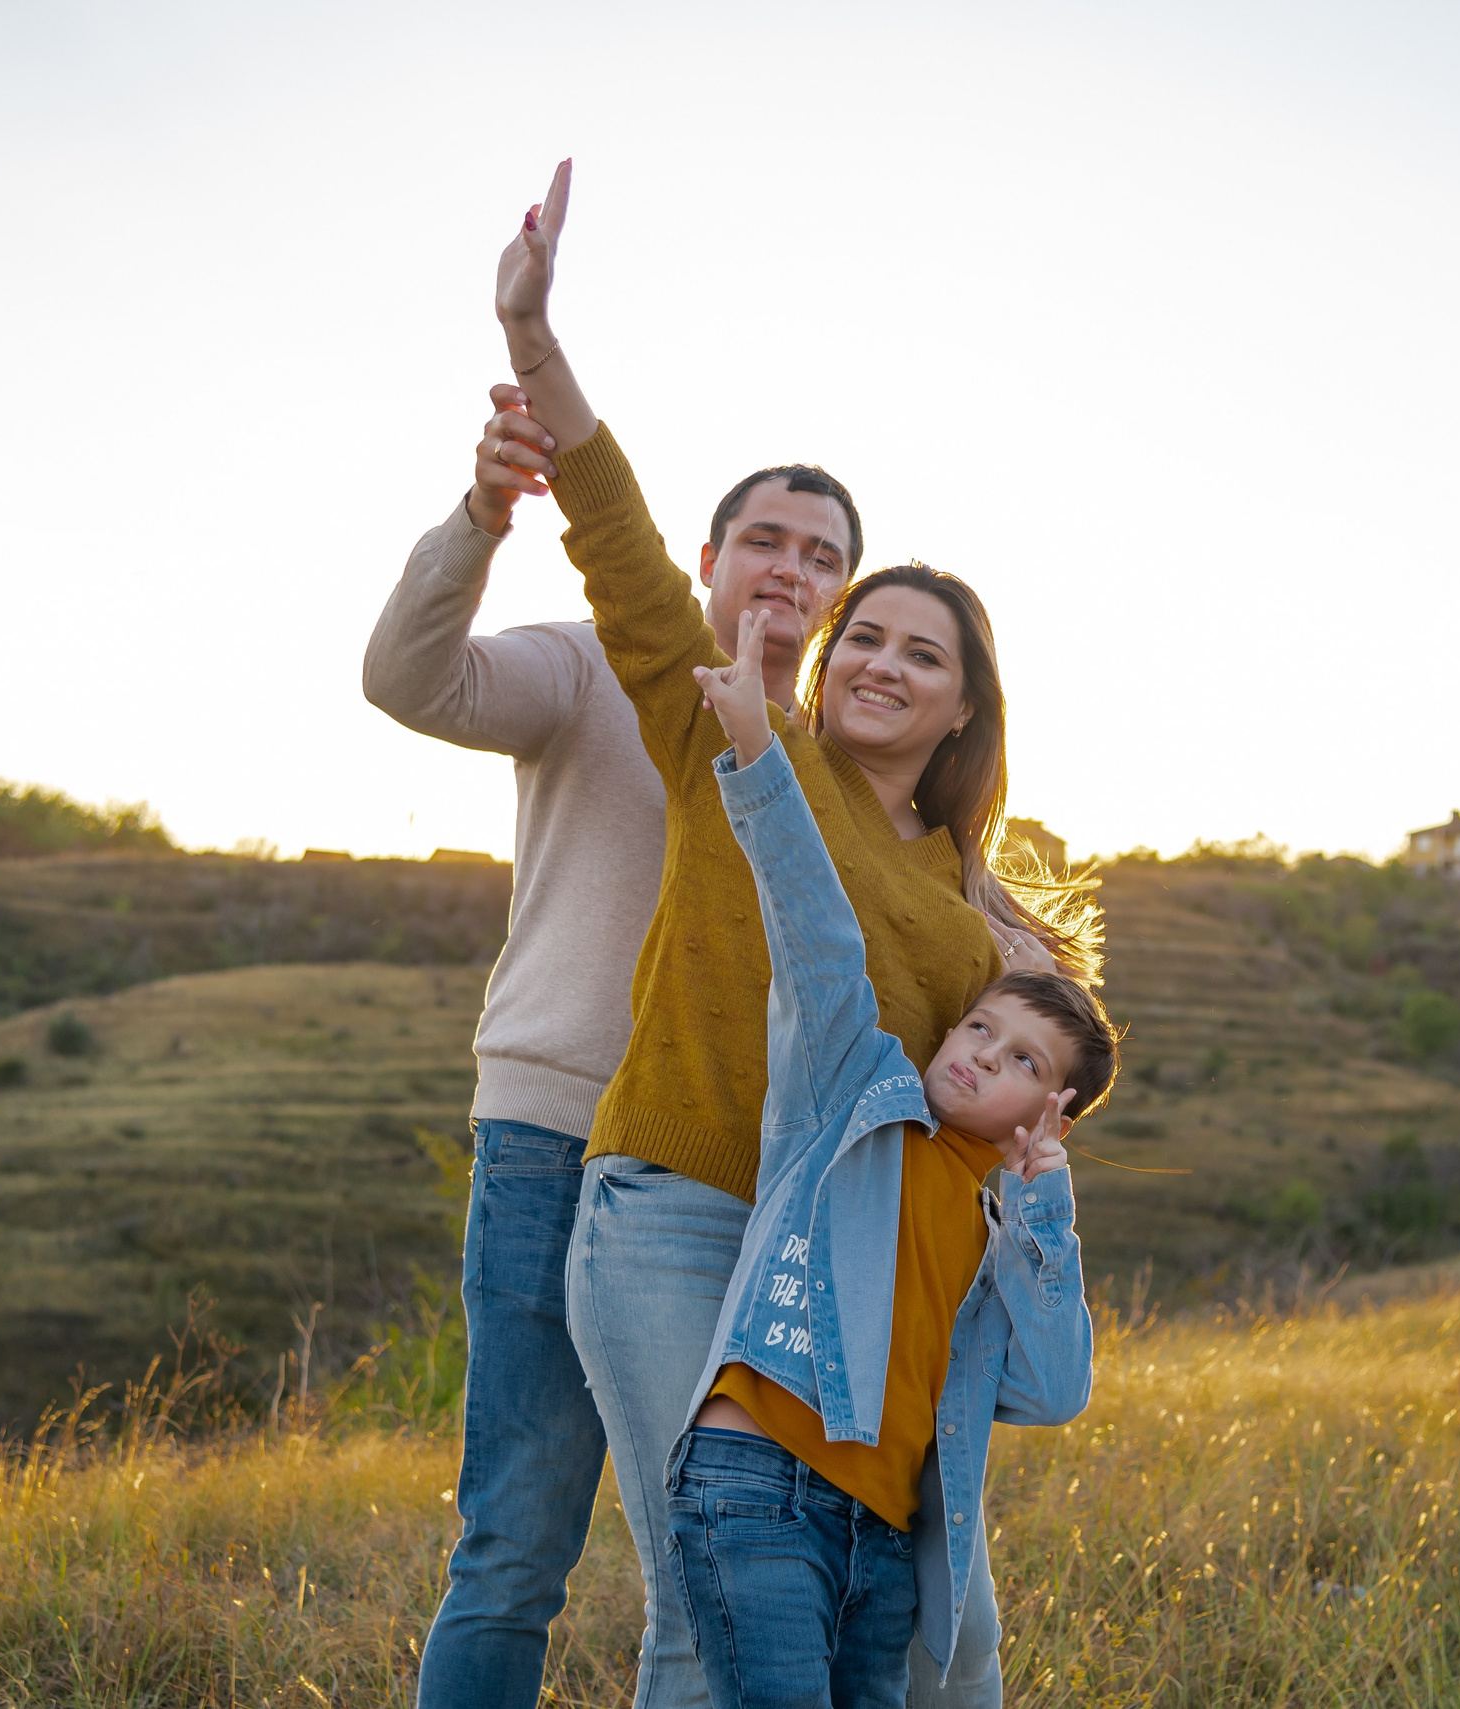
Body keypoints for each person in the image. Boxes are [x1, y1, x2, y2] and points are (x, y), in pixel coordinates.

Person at [486, 159, 1101, 1707]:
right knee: (707, 1602)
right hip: (677, 1209)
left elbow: (1025, 1078)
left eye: (922, 654)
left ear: (966, 704)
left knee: (897, 1625)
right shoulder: (739, 745)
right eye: (863, 635)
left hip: (846, 1260)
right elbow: (627, 553)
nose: (880, 661)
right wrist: (534, 336)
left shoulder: (974, 912)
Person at [363, 397, 859, 1700]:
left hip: (729, 1178)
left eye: (821, 556)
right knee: (515, 1542)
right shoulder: (595, 668)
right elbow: (409, 680)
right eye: (765, 540)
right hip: (558, 1133)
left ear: (841, 594)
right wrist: (482, 517)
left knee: (715, 1547)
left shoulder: (830, 761)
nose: (789, 569)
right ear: (705, 559)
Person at [670, 605, 1109, 1707]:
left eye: (1020, 1059)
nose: (981, 1053)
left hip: (884, 1532)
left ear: (1047, 1112)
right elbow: (816, 931)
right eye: (980, 1026)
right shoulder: (853, 1094)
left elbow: (1053, 1390)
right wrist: (756, 749)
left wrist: (1046, 1215)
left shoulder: (999, 1235)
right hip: (756, 1481)